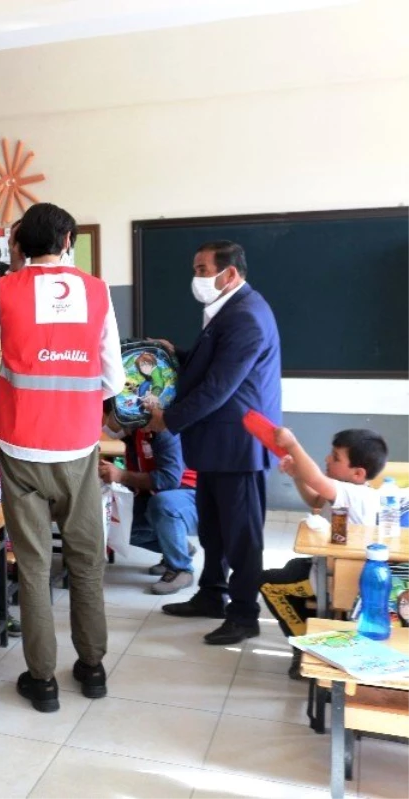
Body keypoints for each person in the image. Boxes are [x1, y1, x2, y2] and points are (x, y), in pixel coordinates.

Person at [0, 202, 125, 713]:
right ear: (69, 240)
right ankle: (92, 669)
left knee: (34, 565)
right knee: (86, 560)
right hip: (78, 446)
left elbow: (5, 338)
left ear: (19, 243)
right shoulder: (98, 290)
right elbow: (114, 377)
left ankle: (41, 681)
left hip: (19, 444)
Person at [147, 241, 282, 646]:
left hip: (238, 445)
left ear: (230, 274)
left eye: (203, 269)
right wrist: (178, 354)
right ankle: (211, 595)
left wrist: (167, 419)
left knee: (242, 537)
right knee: (214, 530)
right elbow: (213, 365)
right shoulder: (229, 310)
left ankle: (243, 615)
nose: (198, 278)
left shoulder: (247, 317)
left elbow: (219, 387)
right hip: (215, 444)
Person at [259, 427, 386, 676]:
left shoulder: (355, 494)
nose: (327, 459)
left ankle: (305, 647)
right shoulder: (349, 491)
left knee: (267, 583)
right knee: (290, 569)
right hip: (326, 568)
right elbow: (316, 500)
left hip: (334, 579)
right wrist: (297, 475)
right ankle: (313, 630)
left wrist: (293, 445)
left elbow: (317, 481)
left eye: (336, 457)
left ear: (358, 473)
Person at [99, 400, 199, 595]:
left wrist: (121, 475)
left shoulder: (163, 431)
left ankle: (180, 569)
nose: (105, 425)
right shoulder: (133, 437)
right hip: (160, 496)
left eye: (107, 418)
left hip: (193, 497)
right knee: (114, 521)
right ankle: (178, 549)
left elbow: (169, 479)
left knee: (162, 504)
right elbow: (140, 480)